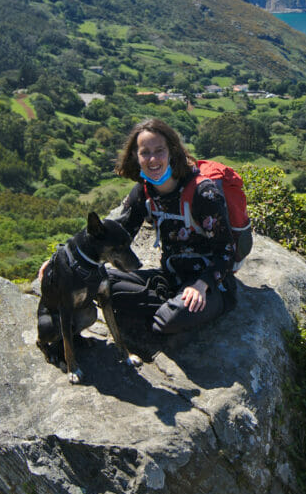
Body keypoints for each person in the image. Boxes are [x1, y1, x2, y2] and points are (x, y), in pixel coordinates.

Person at [101, 118, 243, 339]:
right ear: (135, 157)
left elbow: (226, 251)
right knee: (101, 281)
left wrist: (201, 284)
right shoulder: (144, 192)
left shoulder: (203, 193)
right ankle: (166, 306)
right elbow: (118, 232)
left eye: (160, 150)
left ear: (172, 152)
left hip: (209, 284)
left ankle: (167, 311)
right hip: (170, 277)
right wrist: (67, 257)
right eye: (145, 152)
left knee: (170, 319)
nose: (153, 159)